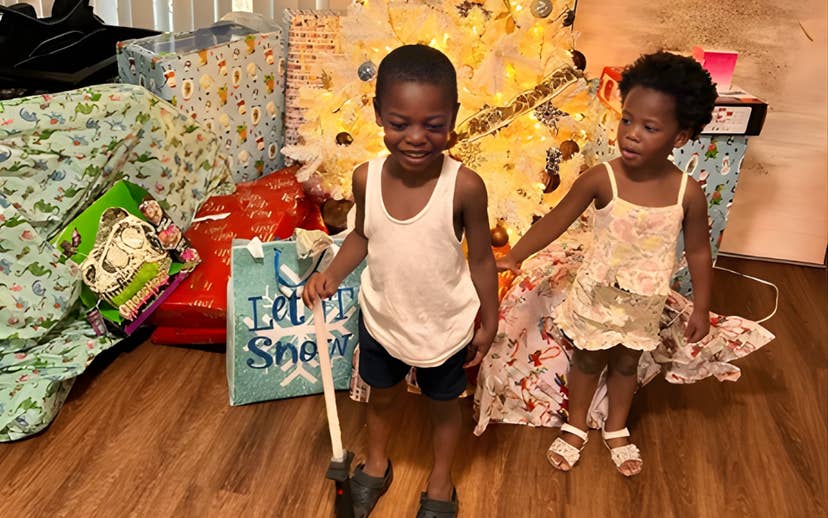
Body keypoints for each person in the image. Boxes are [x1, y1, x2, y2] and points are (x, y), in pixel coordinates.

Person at [496, 51, 718, 477]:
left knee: (626, 363)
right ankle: (576, 423)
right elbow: (558, 219)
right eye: (627, 120)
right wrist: (516, 255)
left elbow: (699, 252)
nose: (631, 134)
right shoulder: (602, 178)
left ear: (680, 136)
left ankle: (616, 426)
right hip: (596, 294)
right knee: (586, 359)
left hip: (644, 302)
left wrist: (702, 307)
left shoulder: (687, 193)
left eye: (650, 127)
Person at [302, 44, 498, 517]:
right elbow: (362, 237)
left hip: (443, 325)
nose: (415, 138)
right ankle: (375, 464)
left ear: (453, 116)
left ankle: (440, 481)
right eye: (399, 123)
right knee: (382, 398)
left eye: (433, 125)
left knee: (443, 406)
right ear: (378, 115)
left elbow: (482, 261)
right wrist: (329, 274)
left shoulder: (465, 186)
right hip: (383, 319)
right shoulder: (365, 178)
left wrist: (488, 320)